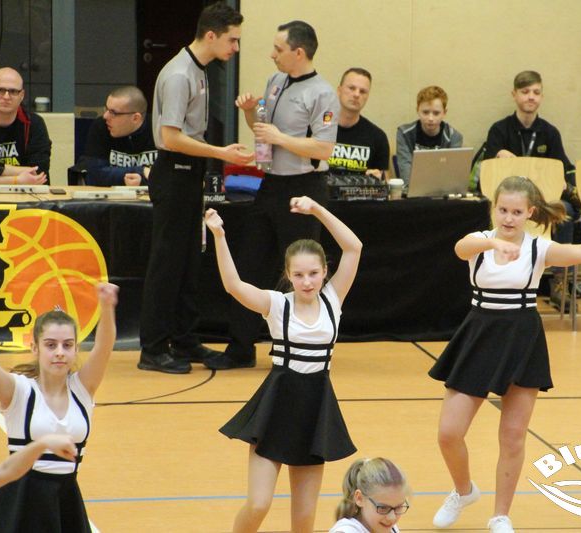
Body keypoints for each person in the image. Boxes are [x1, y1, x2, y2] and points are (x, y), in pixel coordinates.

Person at [427, 176, 581, 533]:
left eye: (516, 212)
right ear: (493, 208)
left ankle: (500, 515)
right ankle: (463, 492)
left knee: (513, 436)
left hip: (522, 338)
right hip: (479, 335)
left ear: (530, 212)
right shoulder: (481, 241)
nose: (508, 218)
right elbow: (460, 248)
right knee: (449, 433)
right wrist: (495, 243)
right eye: (502, 210)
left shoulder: (538, 248)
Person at [205, 195, 361, 532]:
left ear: (325, 272)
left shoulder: (333, 299)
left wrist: (317, 210)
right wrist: (219, 235)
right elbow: (233, 285)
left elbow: (354, 247)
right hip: (276, 406)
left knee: (304, 518)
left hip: (315, 409)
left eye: (314, 273)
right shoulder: (277, 304)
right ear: (288, 275)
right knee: (258, 504)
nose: (307, 281)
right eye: (299, 274)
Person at [0, 282, 118, 533]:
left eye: (67, 345)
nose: (60, 352)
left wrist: (107, 308)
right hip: (17, 505)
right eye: (51, 345)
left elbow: (104, 347)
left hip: (64, 502)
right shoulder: (19, 391)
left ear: (76, 348)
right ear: (35, 347)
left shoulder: (82, 389)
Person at [211, 20, 340, 371]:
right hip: (271, 185)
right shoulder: (276, 81)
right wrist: (249, 111)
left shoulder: (323, 93)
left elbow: (324, 148)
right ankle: (240, 347)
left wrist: (280, 138)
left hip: (304, 188)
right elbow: (262, 132)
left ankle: (299, 346)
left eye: (278, 49)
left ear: (299, 52)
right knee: (250, 263)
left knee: (300, 269)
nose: (272, 55)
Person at [137, 2, 253, 374]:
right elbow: (171, 138)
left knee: (188, 262)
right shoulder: (178, 74)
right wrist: (221, 152)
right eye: (232, 40)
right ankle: (153, 348)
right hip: (174, 171)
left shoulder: (199, 70)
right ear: (211, 35)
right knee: (167, 264)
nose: (235, 48)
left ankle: (184, 339)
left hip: (190, 172)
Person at [484, 71, 579, 309]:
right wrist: (498, 156)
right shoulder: (499, 130)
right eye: (525, 92)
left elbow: (563, 169)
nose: (531, 97)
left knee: (566, 211)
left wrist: (564, 183)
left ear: (542, 97)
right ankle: (499, 275)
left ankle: (560, 283)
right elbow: (486, 172)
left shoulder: (550, 132)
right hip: (510, 205)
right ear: (514, 94)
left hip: (541, 203)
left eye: (536, 92)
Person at [78, 86, 157, 186]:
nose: (105, 116)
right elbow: (92, 174)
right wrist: (140, 171)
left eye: (113, 113)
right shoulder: (101, 127)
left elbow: (169, 176)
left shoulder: (159, 130)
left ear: (135, 118)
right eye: (106, 109)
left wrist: (143, 181)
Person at [395, 85, 463, 191]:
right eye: (425, 112)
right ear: (417, 110)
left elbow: (452, 175)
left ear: (444, 113)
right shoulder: (404, 134)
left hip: (442, 191)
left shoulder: (454, 136)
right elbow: (405, 170)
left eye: (436, 113)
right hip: (413, 190)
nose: (430, 118)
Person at [328, 68, 390, 179]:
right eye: (351, 88)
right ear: (339, 90)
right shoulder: (317, 127)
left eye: (363, 91)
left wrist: (379, 178)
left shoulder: (378, 137)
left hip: (361, 190)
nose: (356, 94)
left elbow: (385, 179)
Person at [330, 457, 411, 533]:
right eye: (383, 508)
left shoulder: (390, 528)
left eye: (398, 507)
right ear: (359, 498)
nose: (392, 518)